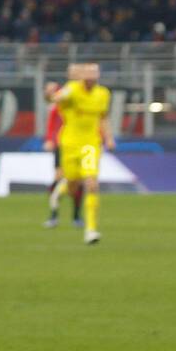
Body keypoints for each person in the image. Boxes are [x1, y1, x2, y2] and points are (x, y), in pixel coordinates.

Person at [54, 63, 113, 244]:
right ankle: (62, 188)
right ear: (83, 77)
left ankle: (91, 230)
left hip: (90, 145)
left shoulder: (103, 94)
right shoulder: (72, 89)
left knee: (91, 183)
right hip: (70, 144)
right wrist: (51, 95)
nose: (91, 76)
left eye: (94, 73)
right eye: (88, 73)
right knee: (74, 183)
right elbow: (57, 98)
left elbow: (103, 118)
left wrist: (109, 138)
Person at [42, 73, 82, 228]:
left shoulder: (70, 99)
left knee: (77, 181)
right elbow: (52, 122)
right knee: (58, 177)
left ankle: (76, 216)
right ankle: (53, 214)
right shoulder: (57, 105)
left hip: (78, 143)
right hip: (62, 143)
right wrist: (50, 139)